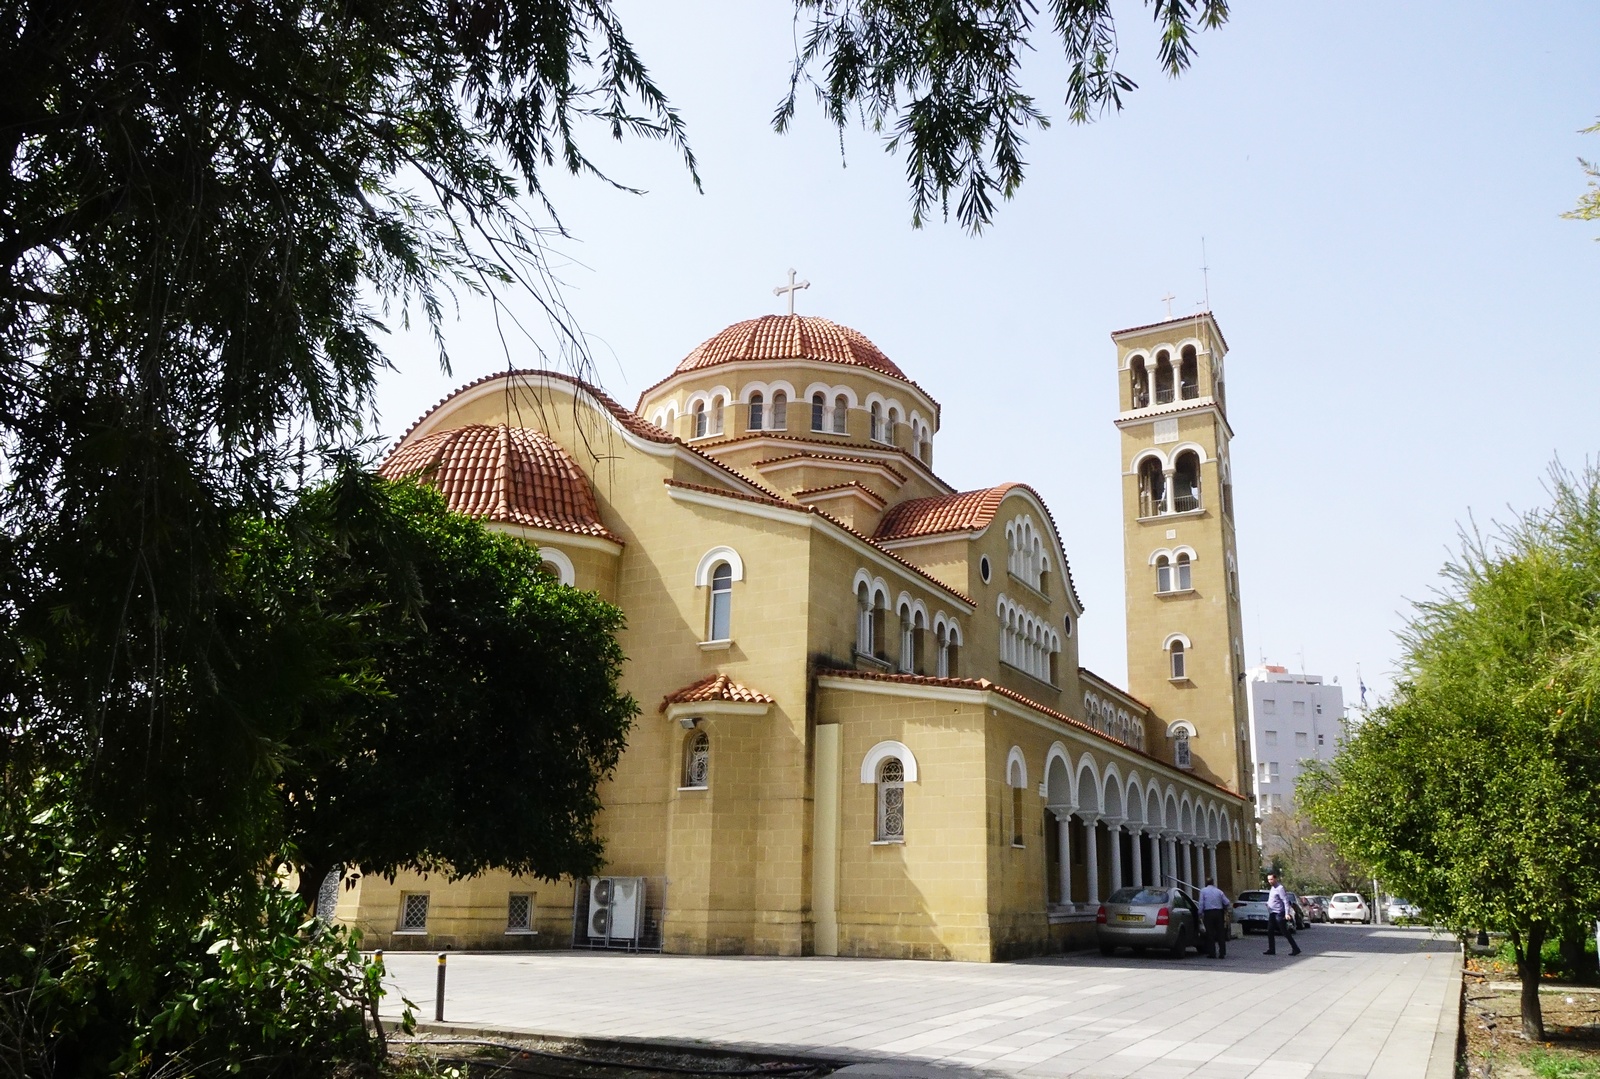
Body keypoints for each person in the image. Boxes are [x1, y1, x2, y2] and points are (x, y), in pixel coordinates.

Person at [1265, 873, 1302, 956]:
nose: (1269, 881)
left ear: (1275, 879)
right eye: (1268, 880)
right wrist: (1268, 904)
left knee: (1284, 931)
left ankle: (1295, 949)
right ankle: (1271, 949)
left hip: (1279, 913)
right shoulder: (1272, 888)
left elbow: (1285, 901)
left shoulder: (1280, 888)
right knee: (1270, 931)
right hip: (1272, 913)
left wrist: (1287, 913)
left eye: (1271, 879)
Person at [1198, 877, 1232, 958]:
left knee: (1210, 933)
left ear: (1206, 883)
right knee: (1220, 933)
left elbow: (1201, 903)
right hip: (1219, 913)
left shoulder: (1203, 891)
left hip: (1208, 913)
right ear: (1213, 883)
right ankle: (1222, 953)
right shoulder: (1219, 891)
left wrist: (1200, 913)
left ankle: (1212, 953)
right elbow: (1227, 902)